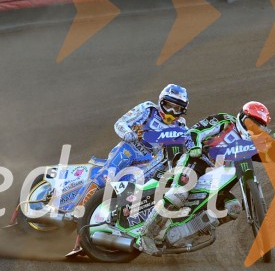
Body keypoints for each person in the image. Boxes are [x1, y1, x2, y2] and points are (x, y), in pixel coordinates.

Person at [136, 101, 275, 255]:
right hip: (197, 162)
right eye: (253, 123)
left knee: (233, 208)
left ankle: (185, 234)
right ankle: (145, 235)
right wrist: (194, 147)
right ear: (244, 118)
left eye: (260, 126)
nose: (255, 128)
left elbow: (269, 157)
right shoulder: (225, 120)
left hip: (217, 181)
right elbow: (195, 131)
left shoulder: (252, 143)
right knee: (178, 194)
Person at [67, 84, 194, 258]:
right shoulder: (148, 109)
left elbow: (190, 144)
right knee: (106, 177)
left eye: (177, 108)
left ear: (182, 110)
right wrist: (128, 133)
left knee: (129, 191)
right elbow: (120, 123)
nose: (171, 112)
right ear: (161, 102)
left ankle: (99, 232)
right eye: (169, 105)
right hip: (129, 149)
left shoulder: (181, 126)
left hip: (147, 162)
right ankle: (77, 209)